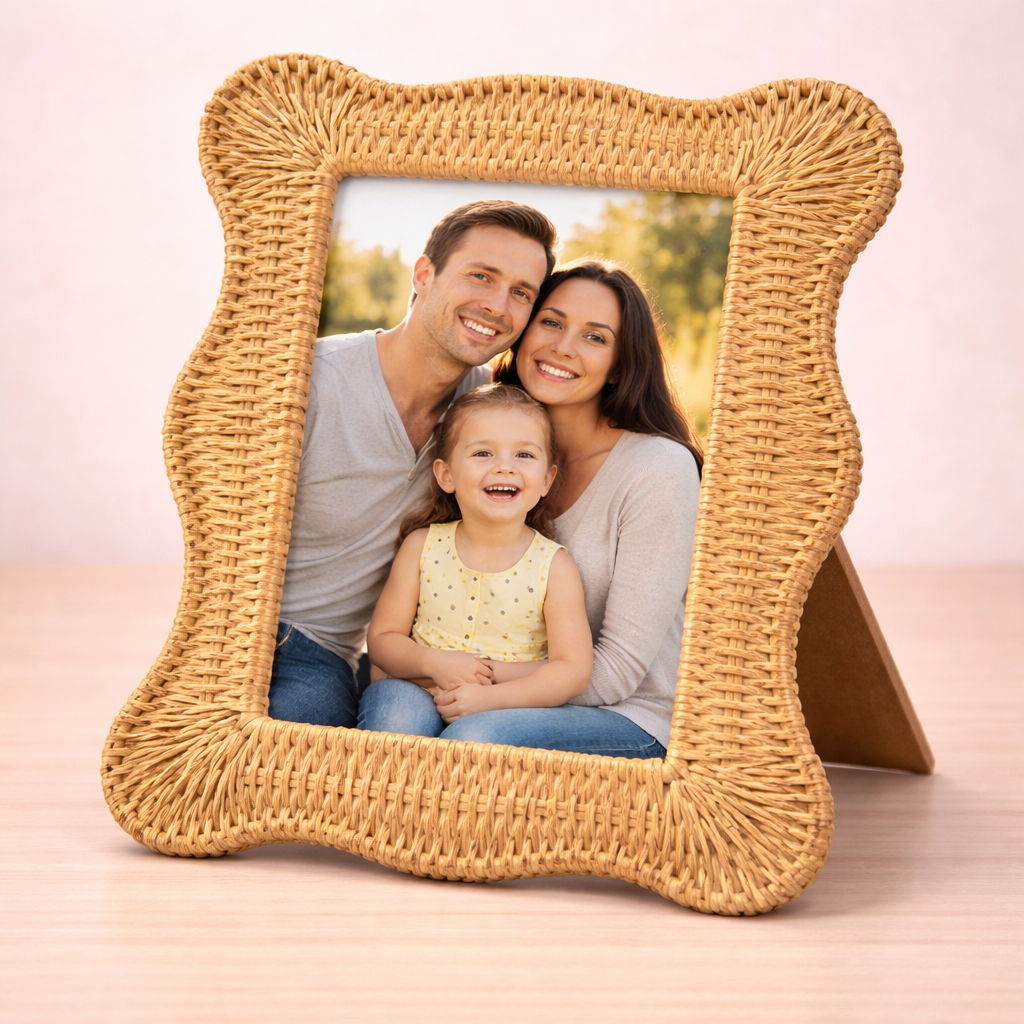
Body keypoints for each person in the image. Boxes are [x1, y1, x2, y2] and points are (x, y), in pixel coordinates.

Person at [364, 259, 702, 758]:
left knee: (475, 741)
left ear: (620, 365)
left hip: (621, 713)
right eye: (552, 322)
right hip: (463, 688)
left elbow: (615, 672)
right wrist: (434, 673)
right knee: (400, 718)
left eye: (595, 337)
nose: (563, 347)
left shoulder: (659, 469)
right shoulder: (485, 436)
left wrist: (476, 682)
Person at [268, 201, 557, 728]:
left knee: (296, 745)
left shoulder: (486, 418)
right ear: (424, 275)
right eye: (481, 276)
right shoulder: (311, 380)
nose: (497, 304)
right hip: (245, 631)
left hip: (323, 655)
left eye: (521, 292)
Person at [359, 384, 594, 732]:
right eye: (483, 453)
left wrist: (489, 697)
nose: (504, 468)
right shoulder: (422, 546)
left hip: (503, 702)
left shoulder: (553, 566)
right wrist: (434, 663)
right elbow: (382, 640)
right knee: (396, 718)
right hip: (414, 688)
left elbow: (572, 670)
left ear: (546, 479)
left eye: (524, 455)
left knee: (476, 739)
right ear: (446, 475)